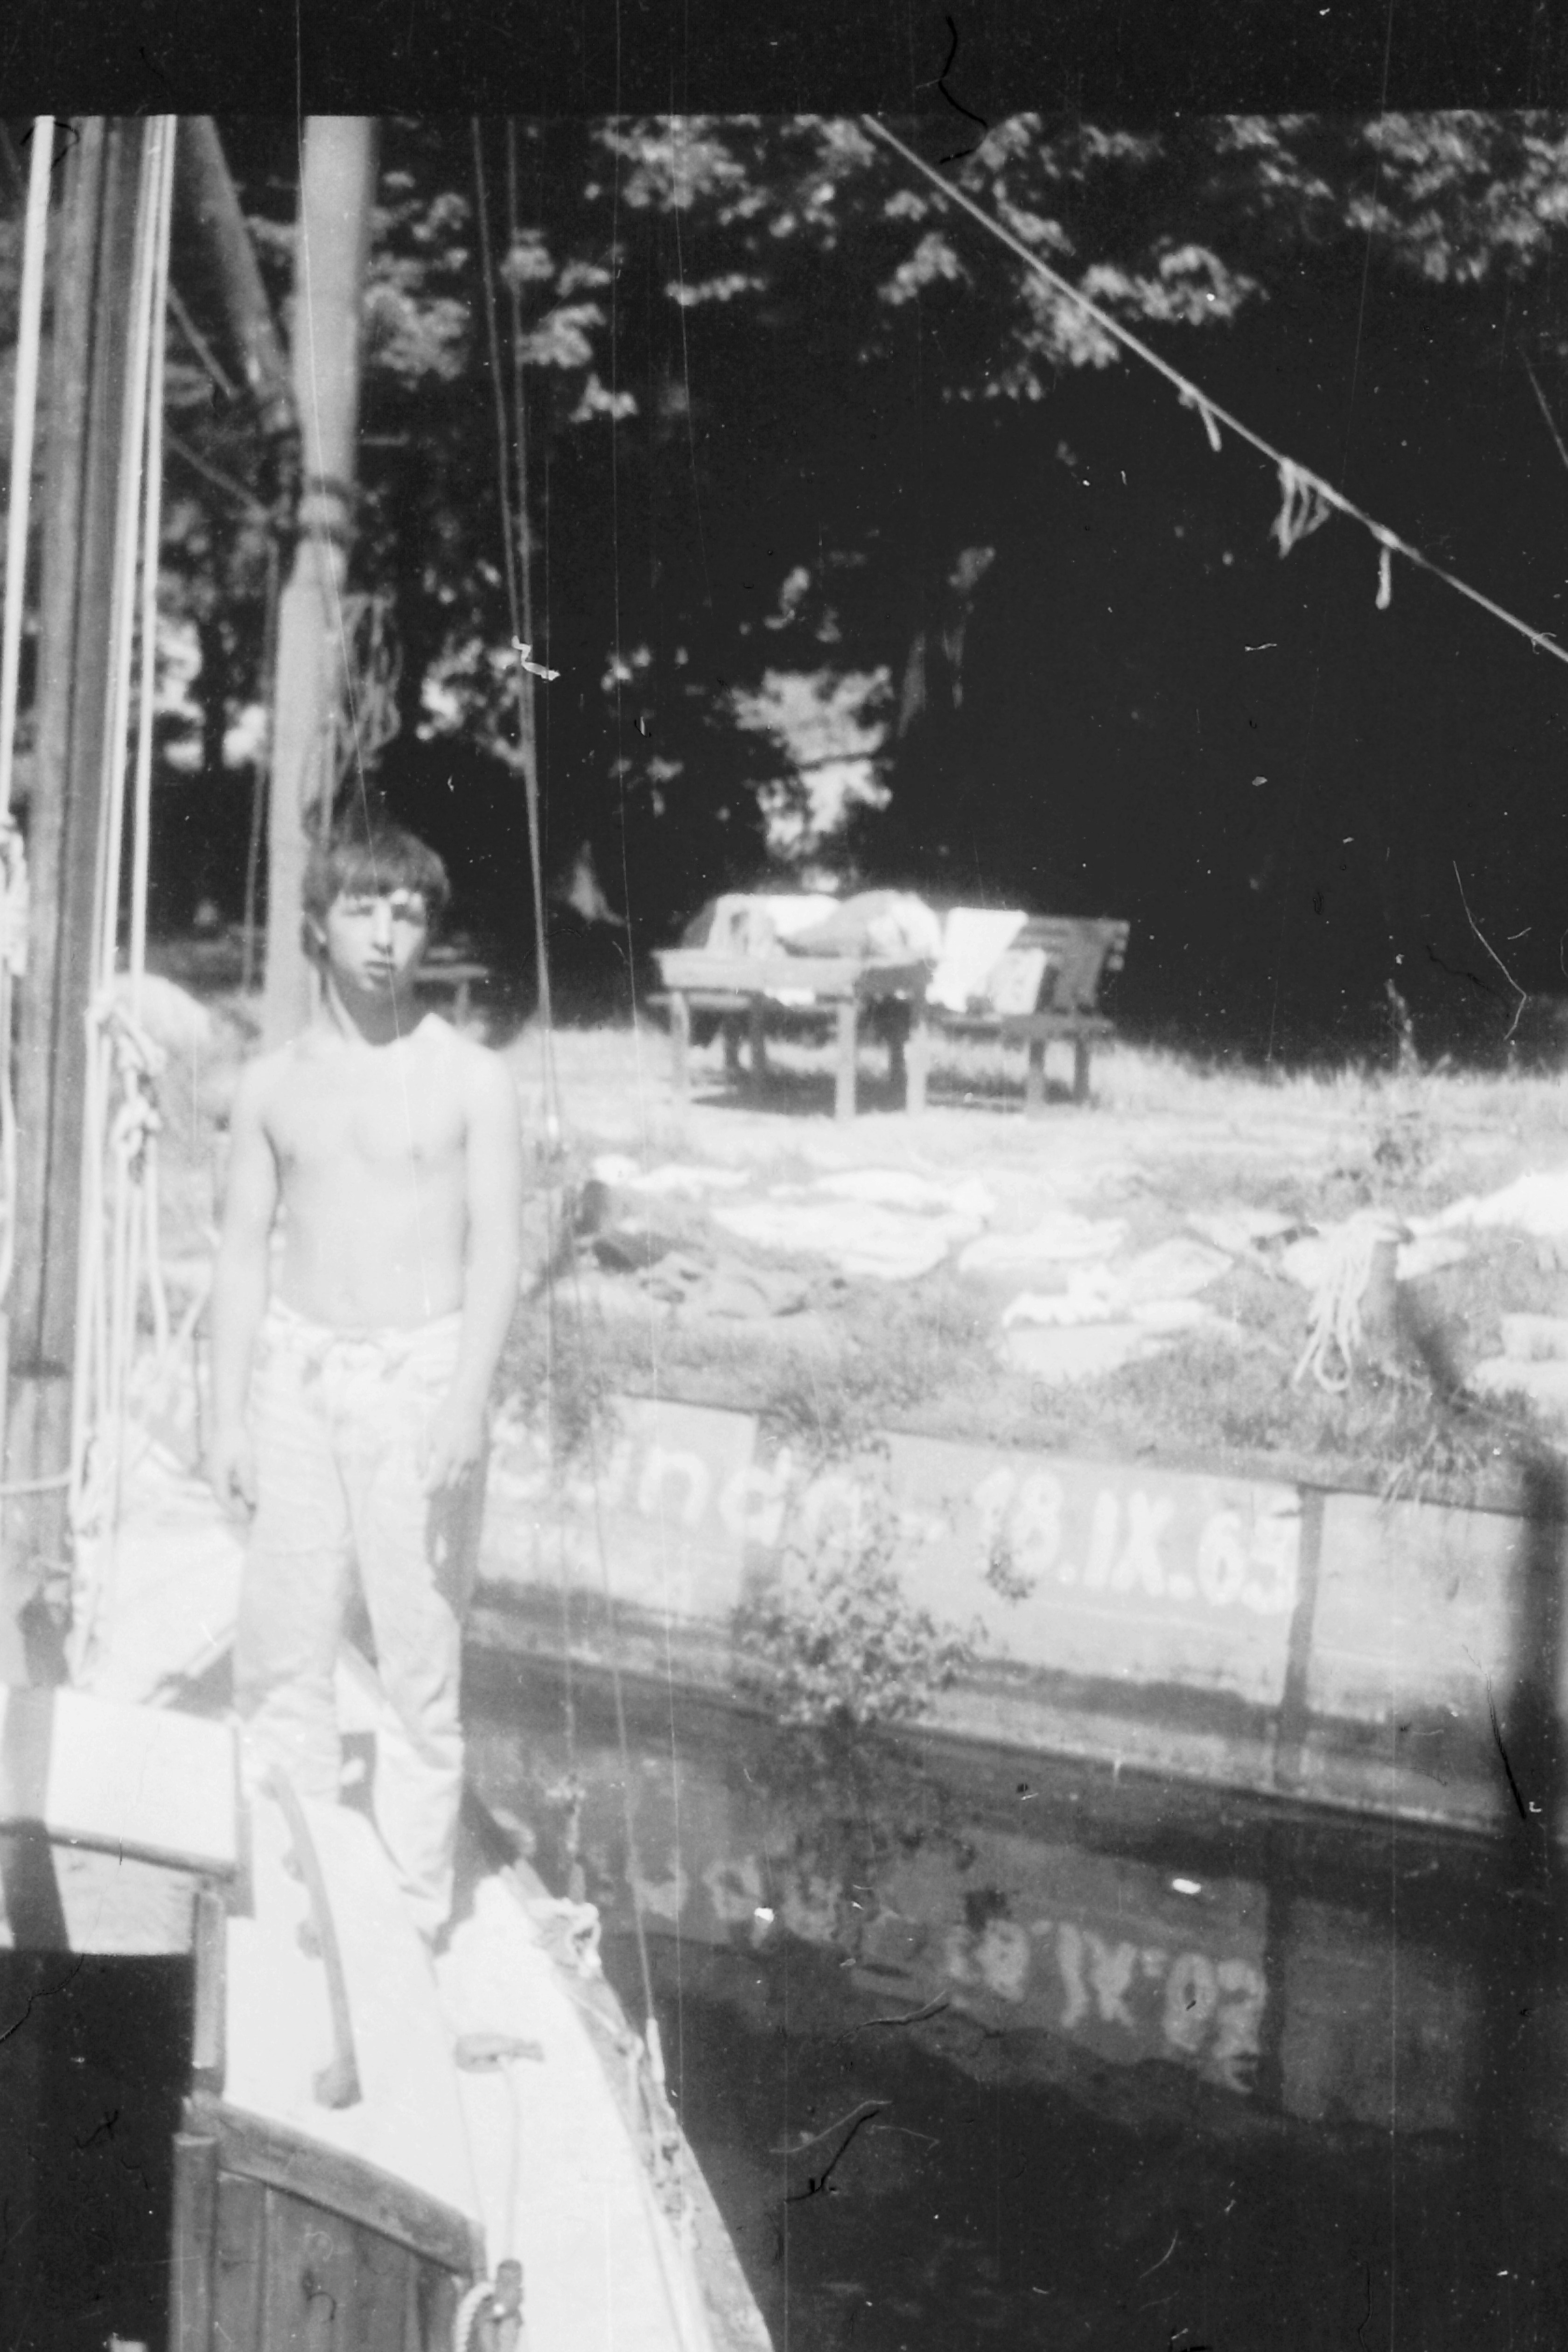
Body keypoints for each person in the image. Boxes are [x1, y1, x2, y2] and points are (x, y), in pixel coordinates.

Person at [208, 817, 523, 1945]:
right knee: (281, 1649)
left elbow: (498, 1251)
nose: (388, 935)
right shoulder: (270, 1086)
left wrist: (467, 1398)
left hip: (418, 1378)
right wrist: (225, 1415)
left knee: (418, 1659)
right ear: (318, 927)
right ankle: (297, 1876)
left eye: (410, 913)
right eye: (363, 910)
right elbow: (241, 1256)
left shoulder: (471, 1079)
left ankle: (408, 1907)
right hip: (296, 1374)